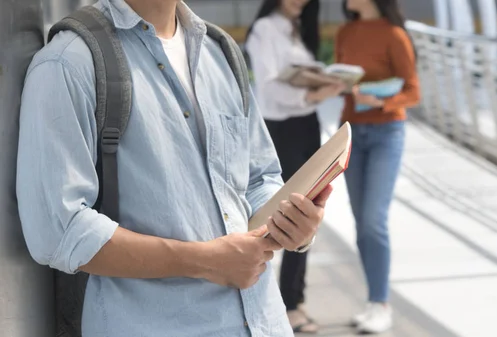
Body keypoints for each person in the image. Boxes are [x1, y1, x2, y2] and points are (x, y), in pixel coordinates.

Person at [16, 0, 333, 336]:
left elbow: (258, 178)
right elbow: (59, 230)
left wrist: (293, 223)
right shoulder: (68, 62)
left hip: (264, 322)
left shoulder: (220, 51)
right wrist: (204, 261)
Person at [245, 0, 345, 333]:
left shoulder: (298, 30)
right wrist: (314, 95)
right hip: (282, 129)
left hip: (306, 126)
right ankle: (277, 301)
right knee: (285, 214)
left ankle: (293, 300)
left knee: (309, 213)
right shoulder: (265, 29)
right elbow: (269, 90)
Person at [335, 0, 420, 333]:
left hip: (387, 132)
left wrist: (382, 101)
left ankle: (382, 303)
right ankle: (373, 302)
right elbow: (344, 83)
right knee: (361, 222)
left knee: (373, 220)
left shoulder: (395, 35)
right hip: (352, 132)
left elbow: (413, 91)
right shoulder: (346, 32)